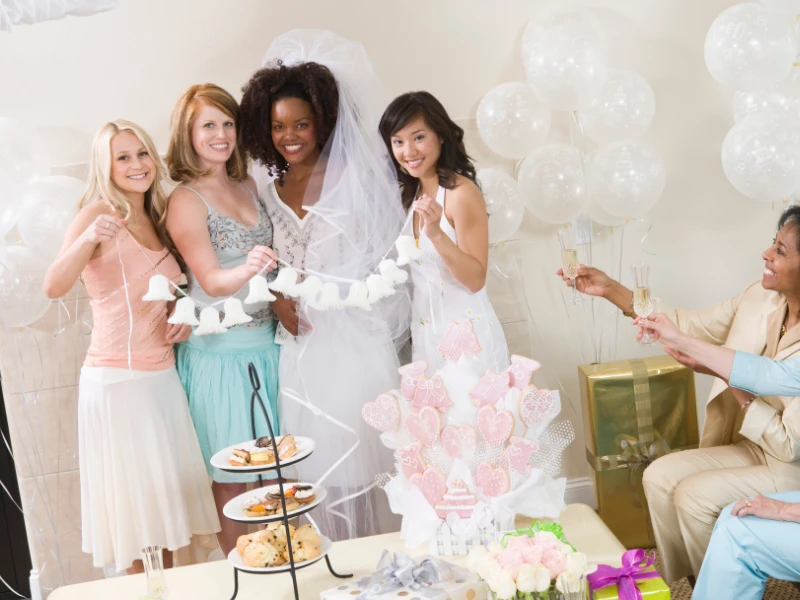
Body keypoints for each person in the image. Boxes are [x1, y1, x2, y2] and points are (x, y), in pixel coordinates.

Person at [556, 206, 800, 584]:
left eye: (781, 251)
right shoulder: (760, 297)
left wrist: (735, 385)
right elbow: (690, 326)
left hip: (789, 466)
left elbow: (787, 446)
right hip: (750, 443)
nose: (766, 254)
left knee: (693, 496)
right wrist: (611, 290)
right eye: (773, 243)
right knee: (658, 476)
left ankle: (730, 582)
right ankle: (692, 585)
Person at [238, 30, 410, 541]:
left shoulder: (355, 177)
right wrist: (278, 297)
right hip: (302, 347)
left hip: (353, 339)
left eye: (301, 124)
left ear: (323, 123)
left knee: (367, 463)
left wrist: (336, 295)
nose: (289, 135)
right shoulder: (268, 187)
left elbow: (387, 257)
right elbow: (271, 261)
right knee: (316, 471)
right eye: (278, 126)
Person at [42, 120, 220, 573]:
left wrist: (180, 318)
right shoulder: (97, 213)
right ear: (106, 166)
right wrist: (86, 238)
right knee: (141, 523)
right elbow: (53, 286)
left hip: (162, 381)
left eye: (142, 153)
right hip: (118, 383)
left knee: (169, 514)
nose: (137, 164)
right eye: (123, 157)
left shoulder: (157, 213)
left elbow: (160, 292)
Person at [163, 83, 279, 556]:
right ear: (188, 134)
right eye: (208, 125)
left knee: (274, 473)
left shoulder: (248, 184)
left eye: (227, 123)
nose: (221, 134)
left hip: (268, 346)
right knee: (231, 478)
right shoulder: (185, 200)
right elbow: (209, 280)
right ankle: (244, 575)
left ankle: (278, 569)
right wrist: (250, 267)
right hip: (219, 355)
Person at [637, 313, 800, 599]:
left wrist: (787, 510)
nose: (766, 264)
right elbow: (777, 375)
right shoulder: (768, 304)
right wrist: (685, 343)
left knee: (738, 534)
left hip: (788, 465)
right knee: (732, 516)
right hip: (768, 452)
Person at [379, 91, 509, 374]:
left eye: (418, 137)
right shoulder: (409, 195)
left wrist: (437, 234)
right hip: (426, 336)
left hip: (467, 340)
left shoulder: (461, 194)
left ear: (440, 135)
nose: (408, 152)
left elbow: (475, 280)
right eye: (398, 141)